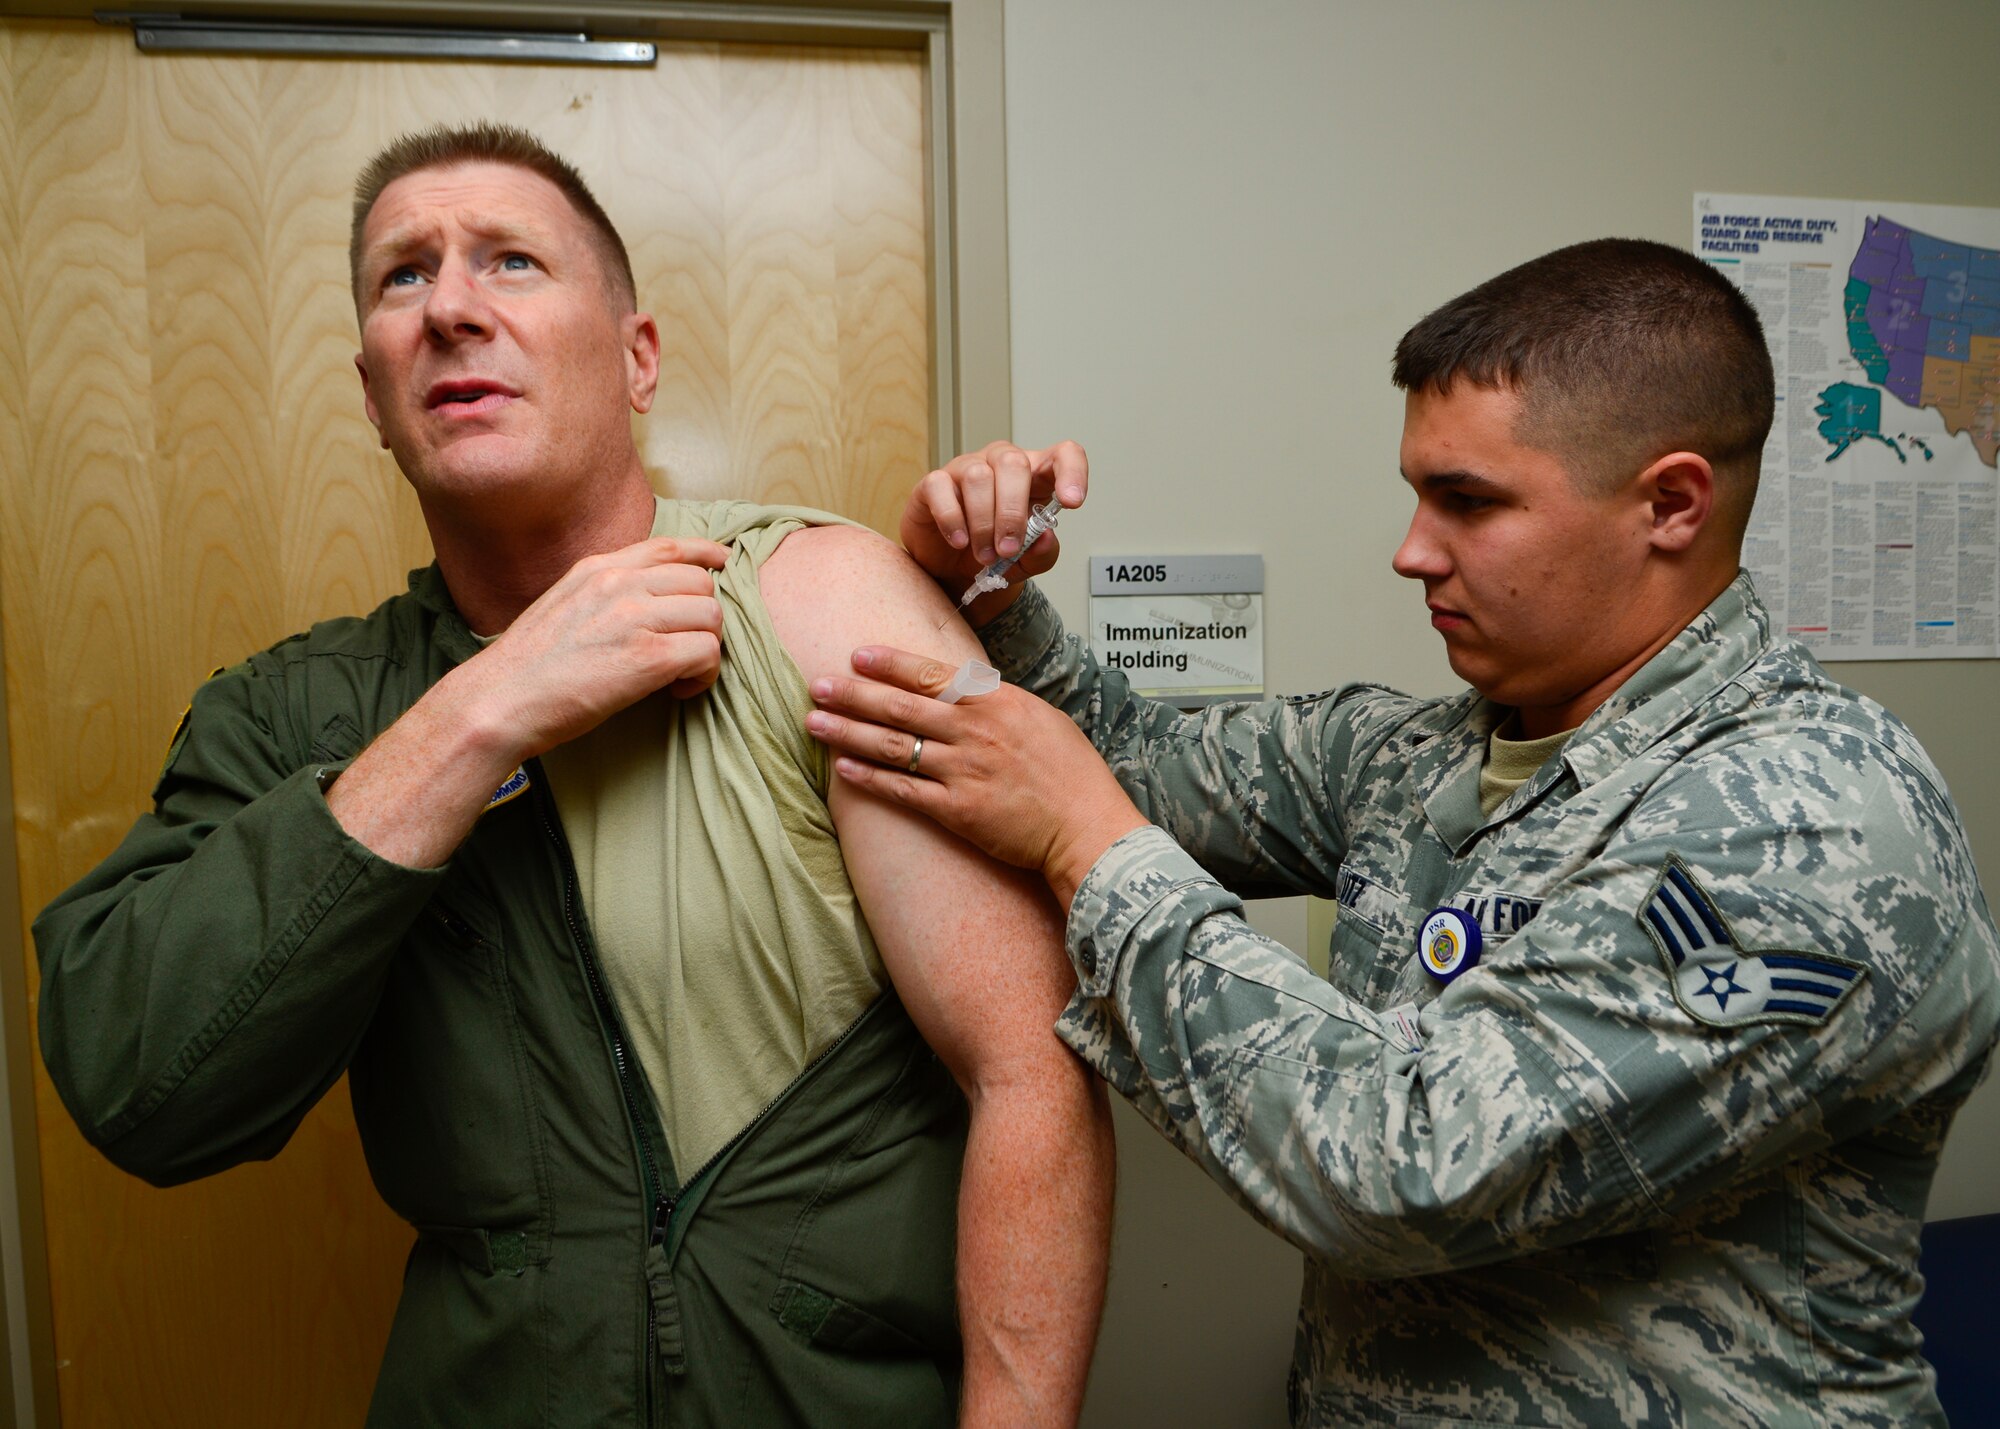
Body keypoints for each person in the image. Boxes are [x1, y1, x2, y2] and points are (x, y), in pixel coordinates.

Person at [804, 238, 2000, 1426]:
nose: (1410, 550)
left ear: (1670, 504)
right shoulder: (1419, 753)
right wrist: (990, 595)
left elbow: (1403, 1166)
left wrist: (1091, 853)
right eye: (1417, 492)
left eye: (1468, 502)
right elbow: (1112, 763)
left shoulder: (1808, 821)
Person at [32, 123, 1113, 1428]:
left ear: (637, 356)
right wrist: (487, 707)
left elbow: (1033, 1064)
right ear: (374, 397)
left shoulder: (816, 598)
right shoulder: (292, 715)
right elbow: (143, 1085)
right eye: (402, 277)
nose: (451, 309)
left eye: (510, 261)